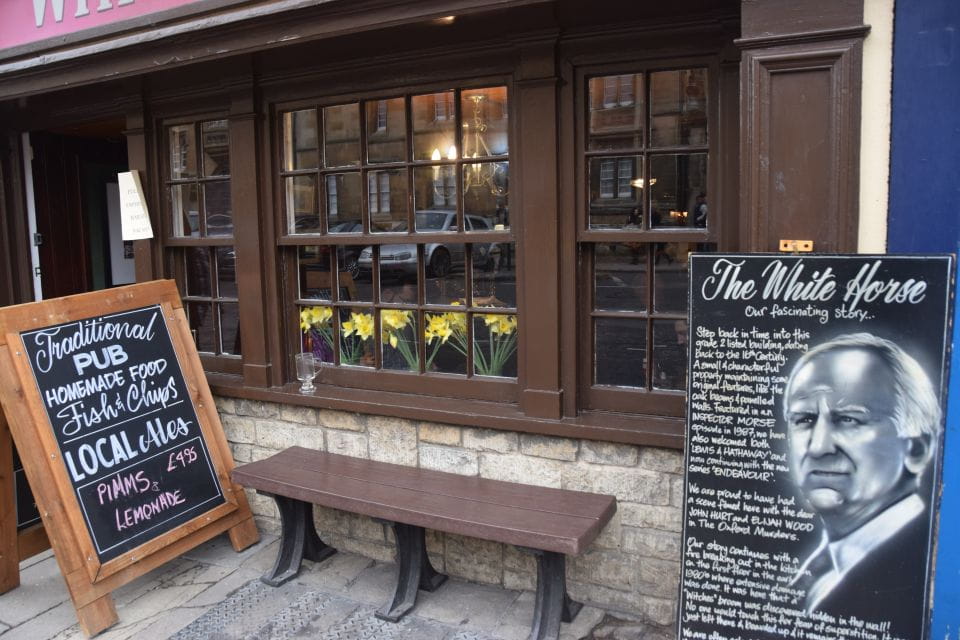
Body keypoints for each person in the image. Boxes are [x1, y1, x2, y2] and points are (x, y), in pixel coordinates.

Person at [783, 333, 941, 625]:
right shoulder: (816, 569)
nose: (819, 447)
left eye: (849, 419)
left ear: (916, 448)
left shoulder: (925, 565)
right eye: (804, 419)